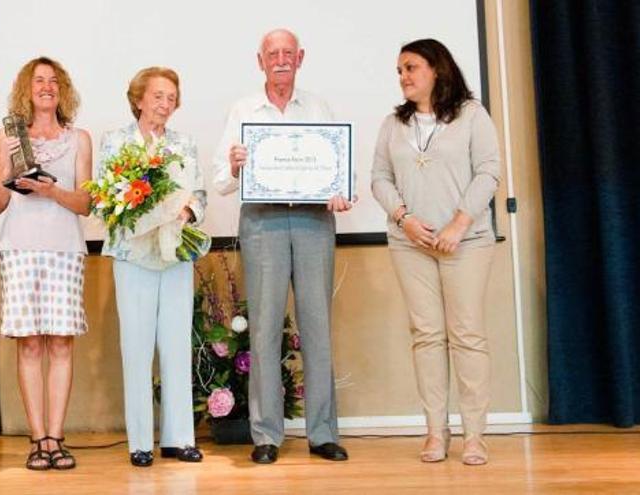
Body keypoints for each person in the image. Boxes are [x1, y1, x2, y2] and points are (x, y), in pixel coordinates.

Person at [213, 29, 351, 464]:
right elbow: (219, 179)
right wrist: (234, 167)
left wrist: (338, 189)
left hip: (314, 221)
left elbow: (337, 169)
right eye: (272, 54)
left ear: (300, 58)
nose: (280, 60)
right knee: (265, 328)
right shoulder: (242, 110)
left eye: (288, 53)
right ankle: (266, 436)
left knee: (317, 327)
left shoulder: (319, 107)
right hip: (262, 221)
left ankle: (322, 433)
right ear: (260, 61)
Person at [370, 38, 501, 466]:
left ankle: (475, 437)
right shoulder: (393, 124)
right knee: (426, 336)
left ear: (437, 70)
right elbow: (380, 178)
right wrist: (404, 217)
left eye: (411, 68)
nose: (404, 77)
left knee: (466, 335)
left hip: (466, 242)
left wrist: (459, 224)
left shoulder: (471, 115)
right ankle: (435, 433)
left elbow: (489, 172)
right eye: (400, 71)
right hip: (410, 245)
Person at [100, 67, 206, 467]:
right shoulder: (116, 142)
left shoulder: (185, 144)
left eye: (172, 97)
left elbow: (199, 196)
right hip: (133, 256)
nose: (165, 103)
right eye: (158, 95)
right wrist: (143, 211)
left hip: (176, 253)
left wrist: (185, 214)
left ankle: (178, 438)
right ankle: (140, 441)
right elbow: (109, 197)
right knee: (137, 347)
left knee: (177, 344)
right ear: (139, 99)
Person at [0, 57, 91, 470]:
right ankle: (38, 440)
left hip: (65, 249)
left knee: (61, 343)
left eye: (53, 81)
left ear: (62, 89)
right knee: (30, 343)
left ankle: (57, 437)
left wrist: (51, 192)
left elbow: (85, 203)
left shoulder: (79, 138)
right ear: (25, 90)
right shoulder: (8, 136)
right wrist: (8, 170)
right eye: (38, 81)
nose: (46, 87)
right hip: (19, 248)